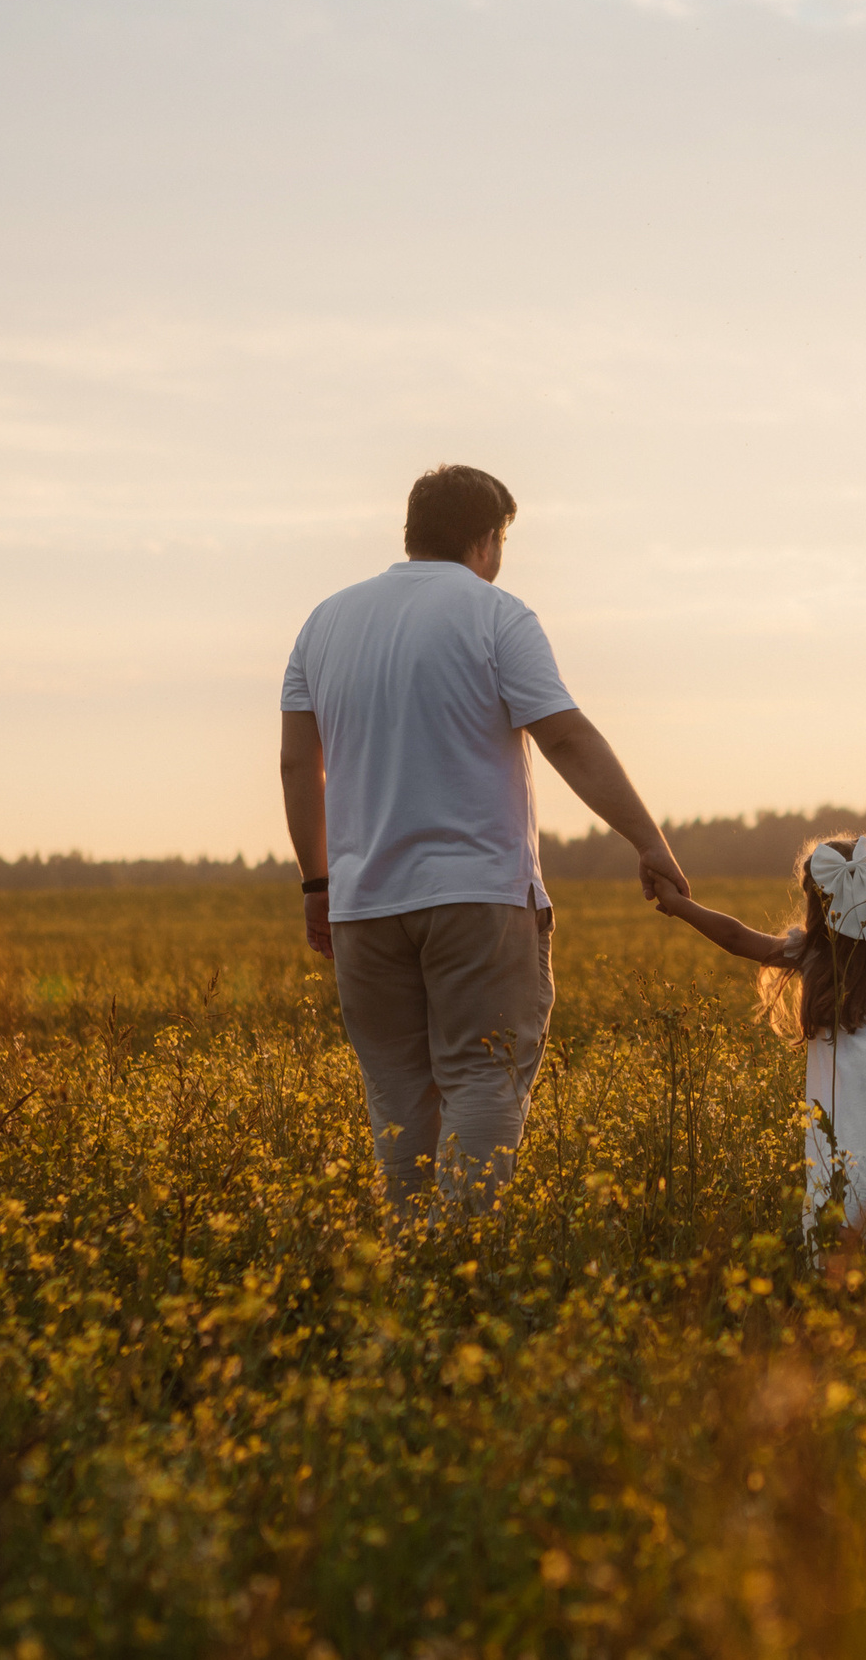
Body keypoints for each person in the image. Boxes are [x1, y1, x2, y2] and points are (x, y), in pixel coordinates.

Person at [278, 463, 689, 1212]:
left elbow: (299, 764)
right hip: (479, 896)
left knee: (398, 1095)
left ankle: (415, 1269)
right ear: (486, 539)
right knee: (482, 1079)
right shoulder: (497, 614)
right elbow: (564, 738)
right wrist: (647, 839)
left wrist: (317, 882)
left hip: (362, 903)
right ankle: (463, 1255)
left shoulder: (324, 623)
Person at [651, 833, 866, 1248]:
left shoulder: (815, 952)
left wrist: (679, 906)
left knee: (853, 1173)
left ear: (815, 903)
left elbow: (736, 937)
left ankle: (843, 1273)